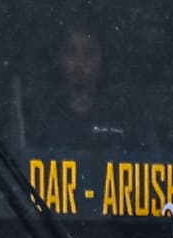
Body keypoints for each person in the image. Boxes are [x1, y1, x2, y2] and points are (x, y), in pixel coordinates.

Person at [23, 23, 130, 155]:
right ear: (60, 59)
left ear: (101, 59)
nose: (80, 63)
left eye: (89, 53)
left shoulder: (120, 114)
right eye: (71, 53)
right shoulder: (41, 116)